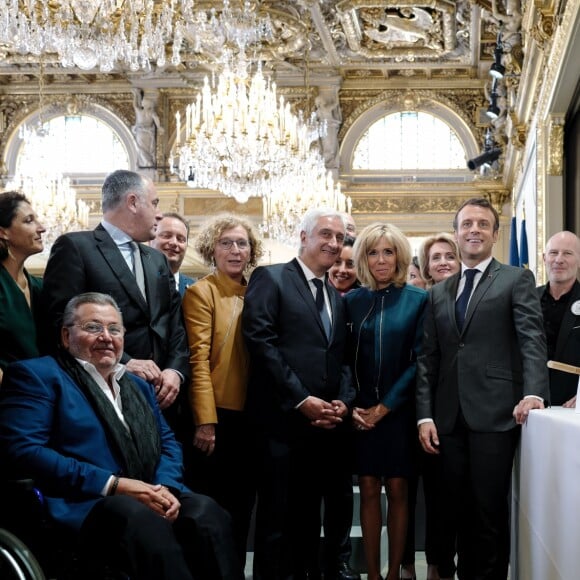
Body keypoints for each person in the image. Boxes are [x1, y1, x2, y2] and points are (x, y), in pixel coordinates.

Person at [0, 292, 243, 580]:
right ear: (66, 336)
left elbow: (168, 443)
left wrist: (165, 488)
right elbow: (23, 450)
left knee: (206, 513)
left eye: (114, 329)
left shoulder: (136, 385)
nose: (106, 336)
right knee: (138, 519)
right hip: (86, 501)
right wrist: (114, 485)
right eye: (93, 327)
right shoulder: (38, 375)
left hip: (150, 491)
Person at [416, 197, 549, 580]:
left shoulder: (515, 278)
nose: (474, 229)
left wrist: (535, 392)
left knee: (488, 514)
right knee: (449, 510)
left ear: (494, 233)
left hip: (496, 414)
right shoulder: (438, 292)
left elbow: (531, 339)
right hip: (445, 420)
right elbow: (429, 357)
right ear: (456, 233)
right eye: (467, 224)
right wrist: (425, 414)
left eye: (482, 224)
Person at [242, 208, 356, 580]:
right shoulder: (271, 278)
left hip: (323, 428)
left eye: (339, 237)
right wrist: (301, 400)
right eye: (325, 234)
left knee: (308, 521)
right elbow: (260, 342)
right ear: (303, 236)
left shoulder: (336, 295)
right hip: (281, 423)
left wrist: (342, 399)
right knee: (277, 522)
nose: (333, 243)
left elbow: (338, 357)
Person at [40, 170, 189, 431]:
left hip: (163, 397)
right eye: (154, 203)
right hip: (100, 395)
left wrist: (175, 372)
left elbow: (174, 324)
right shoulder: (76, 247)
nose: (159, 214)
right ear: (132, 202)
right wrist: (125, 362)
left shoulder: (156, 260)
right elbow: (59, 324)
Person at [344, 223, 428, 580]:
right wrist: (353, 407)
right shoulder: (351, 301)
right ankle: (372, 577)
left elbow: (420, 360)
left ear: (400, 256)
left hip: (398, 411)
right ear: (364, 257)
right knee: (366, 488)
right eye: (373, 252)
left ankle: (394, 572)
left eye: (388, 252)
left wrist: (385, 407)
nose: (381, 260)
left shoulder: (417, 300)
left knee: (397, 488)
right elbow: (342, 359)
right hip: (360, 413)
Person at [181, 214, 263, 563]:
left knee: (244, 508)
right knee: (214, 510)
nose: (234, 250)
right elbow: (197, 360)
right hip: (217, 418)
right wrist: (205, 420)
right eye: (226, 243)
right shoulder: (202, 292)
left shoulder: (260, 290)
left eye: (242, 243)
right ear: (211, 249)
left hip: (255, 417)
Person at [402, 234, 460, 580]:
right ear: (425, 267)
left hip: (451, 414)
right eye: (435, 258)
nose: (443, 263)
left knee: (443, 495)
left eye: (449, 256)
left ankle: (440, 564)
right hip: (409, 409)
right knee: (405, 493)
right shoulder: (416, 301)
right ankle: (406, 562)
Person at [327, 232, 361, 580]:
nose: (342, 268)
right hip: (308, 408)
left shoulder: (359, 302)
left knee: (339, 493)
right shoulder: (310, 295)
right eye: (337, 262)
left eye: (350, 263)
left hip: (346, 407)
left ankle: (340, 558)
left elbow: (352, 362)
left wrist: (346, 402)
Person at [0, 191, 46, 384]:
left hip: (45, 392)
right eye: (29, 221)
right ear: (3, 232)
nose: (41, 228)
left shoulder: (40, 287)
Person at [537, 230, 580, 407]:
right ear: (544, 258)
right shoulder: (526, 299)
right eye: (553, 253)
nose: (559, 259)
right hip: (529, 406)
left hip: (572, 409)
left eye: (568, 253)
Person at [150, 212, 195, 296]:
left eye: (180, 239)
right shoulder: (136, 282)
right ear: (150, 240)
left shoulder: (196, 290)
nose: (174, 243)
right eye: (166, 236)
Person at [132, 88, 164, 168]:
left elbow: (135, 105)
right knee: (148, 150)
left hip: (140, 133)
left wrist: (136, 95)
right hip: (148, 133)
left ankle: (147, 162)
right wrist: (159, 127)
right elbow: (156, 118)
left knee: (141, 149)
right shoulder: (151, 112)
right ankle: (148, 162)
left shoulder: (140, 111)